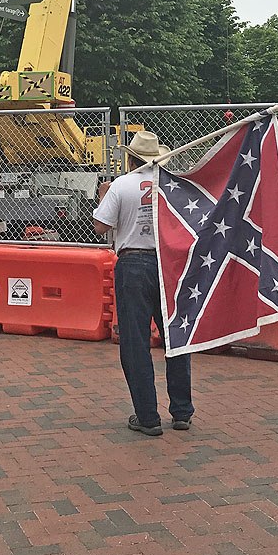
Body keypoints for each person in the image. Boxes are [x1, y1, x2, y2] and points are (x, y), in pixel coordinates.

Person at [93, 130, 194, 437]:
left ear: (131, 157)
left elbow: (100, 226)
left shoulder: (121, 185)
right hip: (168, 264)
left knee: (136, 342)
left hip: (133, 263)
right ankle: (181, 411)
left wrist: (103, 196)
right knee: (175, 338)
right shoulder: (171, 186)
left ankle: (148, 416)